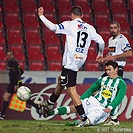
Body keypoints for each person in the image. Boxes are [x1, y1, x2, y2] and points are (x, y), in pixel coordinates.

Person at [38, 6, 105, 125]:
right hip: (80, 60)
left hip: (70, 62)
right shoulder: (89, 28)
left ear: (72, 15)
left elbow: (53, 27)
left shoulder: (70, 24)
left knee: (72, 90)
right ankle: (49, 104)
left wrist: (41, 16)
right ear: (82, 15)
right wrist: (100, 54)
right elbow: (101, 42)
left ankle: (84, 118)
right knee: (61, 80)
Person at [44, 60, 127, 127]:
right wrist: (80, 100)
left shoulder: (122, 83)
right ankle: (51, 112)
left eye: (110, 70)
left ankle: (77, 123)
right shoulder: (103, 79)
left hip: (103, 108)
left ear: (116, 69)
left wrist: (110, 107)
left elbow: (119, 98)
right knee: (74, 108)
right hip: (94, 101)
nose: (108, 72)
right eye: (106, 70)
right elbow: (91, 90)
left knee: (88, 121)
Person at [98, 21, 132, 125]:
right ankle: (108, 116)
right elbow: (111, 54)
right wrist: (103, 59)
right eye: (111, 28)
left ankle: (114, 118)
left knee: (114, 93)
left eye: (115, 28)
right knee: (100, 86)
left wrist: (114, 57)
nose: (113, 30)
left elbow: (130, 53)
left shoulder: (122, 39)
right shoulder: (110, 40)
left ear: (119, 29)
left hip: (118, 69)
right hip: (110, 69)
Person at [0, 51, 42, 120]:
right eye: (8, 55)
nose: (9, 56)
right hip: (13, 84)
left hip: (15, 84)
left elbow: (19, 72)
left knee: (23, 98)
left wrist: (16, 84)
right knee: (6, 97)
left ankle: (37, 107)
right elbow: (21, 71)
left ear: (13, 55)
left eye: (10, 55)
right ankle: (2, 114)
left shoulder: (14, 63)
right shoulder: (12, 63)